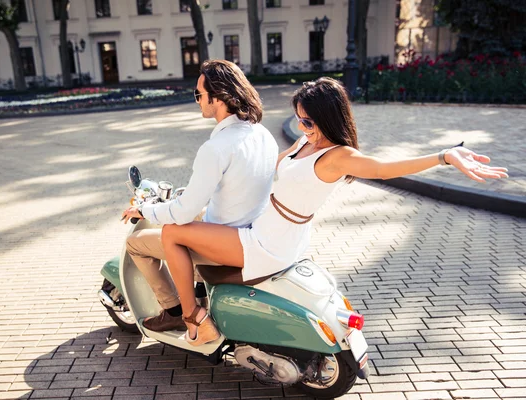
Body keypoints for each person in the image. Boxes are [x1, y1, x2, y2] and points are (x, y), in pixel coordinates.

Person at [158, 77, 509, 346]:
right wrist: (209, 187)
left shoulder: (337, 156)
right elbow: (266, 172)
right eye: (298, 121)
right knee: (197, 223)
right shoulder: (305, 142)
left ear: (328, 117)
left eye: (309, 121)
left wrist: (444, 156)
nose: (302, 128)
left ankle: (194, 321)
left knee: (172, 232)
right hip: (275, 233)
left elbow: (385, 168)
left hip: (265, 242)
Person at [121, 60, 279, 332]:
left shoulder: (216, 147)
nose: (197, 101)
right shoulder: (263, 134)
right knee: (196, 215)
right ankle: (201, 294)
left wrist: (145, 211)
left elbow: (181, 211)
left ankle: (174, 310)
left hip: (225, 243)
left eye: (199, 94)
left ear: (217, 97)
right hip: (252, 231)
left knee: (137, 243)